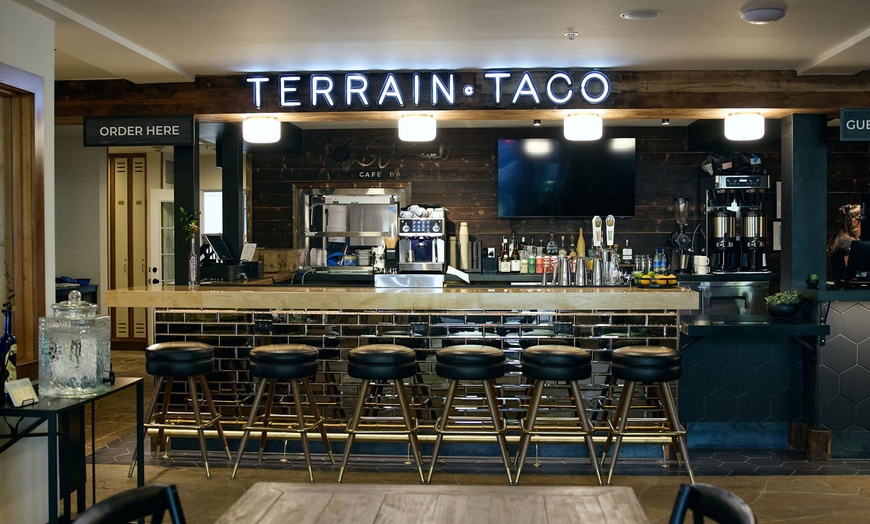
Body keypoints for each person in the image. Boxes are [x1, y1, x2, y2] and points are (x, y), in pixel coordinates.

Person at [828, 203, 862, 281]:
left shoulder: (841, 237)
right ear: (855, 221)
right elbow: (854, 274)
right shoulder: (849, 242)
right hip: (849, 290)